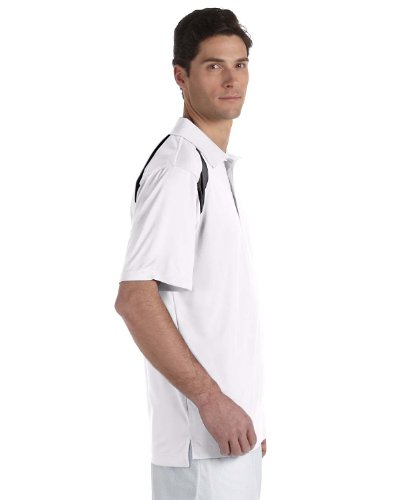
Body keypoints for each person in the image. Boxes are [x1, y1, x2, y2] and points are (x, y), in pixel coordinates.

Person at [114, 7, 267, 499]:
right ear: (180, 76)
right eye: (213, 65)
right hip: (201, 449)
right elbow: (136, 299)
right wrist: (212, 402)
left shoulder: (211, 165)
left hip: (226, 440)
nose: (231, 79)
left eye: (240, 65)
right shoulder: (181, 170)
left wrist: (246, 410)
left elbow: (217, 310)